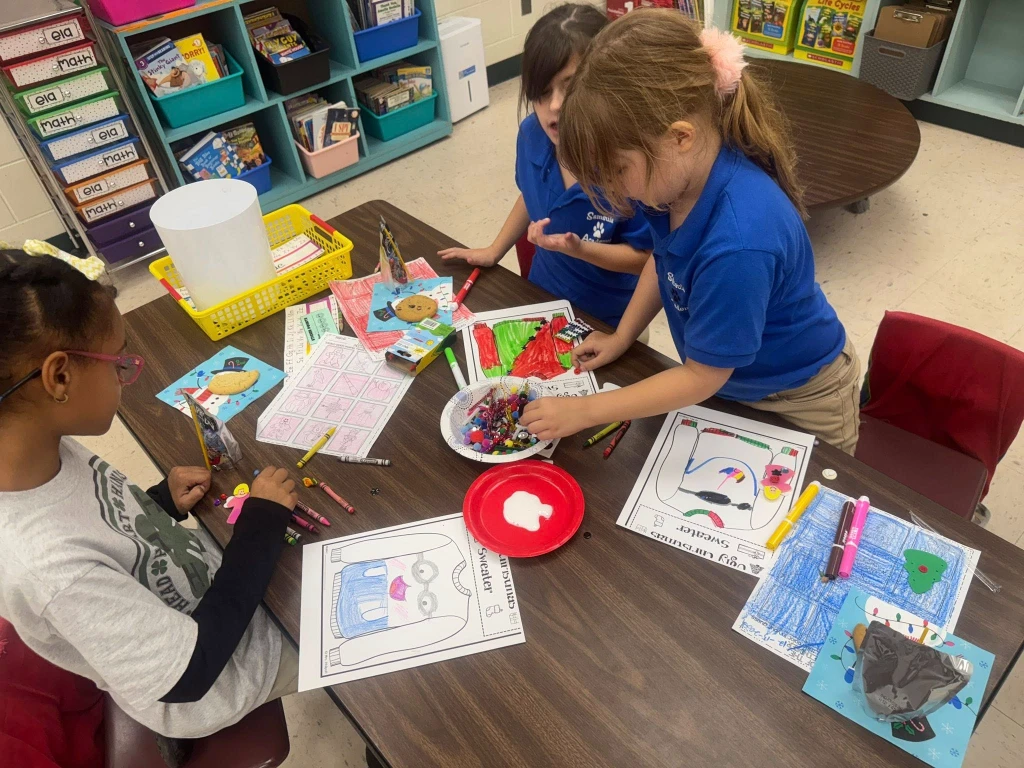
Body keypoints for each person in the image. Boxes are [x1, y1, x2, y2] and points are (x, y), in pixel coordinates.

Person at [0, 250, 300, 757]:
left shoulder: (31, 442)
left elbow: (102, 528)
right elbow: (191, 674)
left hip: (198, 592)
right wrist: (260, 528)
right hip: (215, 675)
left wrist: (158, 503)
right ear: (59, 378)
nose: (124, 373)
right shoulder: (49, 569)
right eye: (118, 360)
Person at [521, 12, 861, 453]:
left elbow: (702, 375)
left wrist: (584, 411)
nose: (613, 188)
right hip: (734, 383)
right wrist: (624, 335)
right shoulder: (676, 181)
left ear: (679, 136)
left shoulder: (737, 244)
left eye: (618, 170)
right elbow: (664, 261)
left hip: (800, 399)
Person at [439, 3, 654, 327]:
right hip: (539, 297)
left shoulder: (630, 166)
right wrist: (495, 249)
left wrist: (581, 250)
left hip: (606, 320)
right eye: (541, 92)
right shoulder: (531, 134)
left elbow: (646, 260)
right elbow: (532, 193)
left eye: (570, 87)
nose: (553, 106)